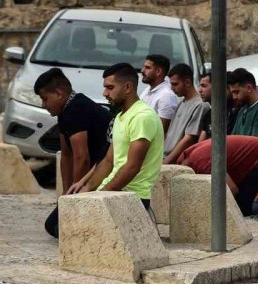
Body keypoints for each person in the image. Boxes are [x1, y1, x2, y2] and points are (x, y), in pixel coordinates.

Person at [51, 64, 164, 236]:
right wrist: (87, 189)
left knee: (69, 231)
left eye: (110, 87)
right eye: (105, 88)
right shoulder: (120, 117)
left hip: (131, 197)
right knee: (57, 224)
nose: (105, 93)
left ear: (127, 87)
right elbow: (109, 161)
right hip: (112, 193)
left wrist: (102, 196)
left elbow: (132, 167)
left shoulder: (142, 117)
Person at [35, 69, 113, 238]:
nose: (43, 105)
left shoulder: (76, 109)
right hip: (90, 172)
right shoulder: (65, 111)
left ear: (59, 93)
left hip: (102, 170)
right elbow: (67, 155)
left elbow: (81, 157)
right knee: (53, 225)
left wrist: (75, 199)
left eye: (45, 98)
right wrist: (65, 194)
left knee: (60, 228)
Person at [178, 135, 258, 215]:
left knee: (241, 209)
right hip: (248, 154)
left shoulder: (203, 165)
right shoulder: (183, 157)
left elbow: (231, 190)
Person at [162, 64, 207, 164]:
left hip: (176, 161)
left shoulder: (200, 105)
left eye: (175, 84)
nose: (172, 88)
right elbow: (169, 135)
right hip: (164, 157)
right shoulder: (181, 103)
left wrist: (167, 161)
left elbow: (189, 139)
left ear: (187, 82)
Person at [139, 53, 177, 133]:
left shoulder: (166, 95)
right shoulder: (148, 89)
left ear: (158, 71)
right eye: (144, 67)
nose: (142, 71)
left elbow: (160, 131)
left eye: (147, 68)